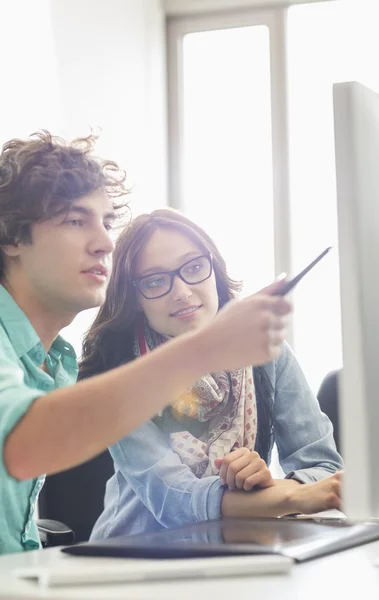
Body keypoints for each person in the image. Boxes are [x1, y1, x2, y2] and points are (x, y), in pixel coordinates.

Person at [0, 132, 292, 555]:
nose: (105, 242)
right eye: (75, 220)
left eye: (105, 222)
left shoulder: (54, 361)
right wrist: (205, 347)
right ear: (10, 236)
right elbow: (24, 447)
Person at [78, 209, 344, 541]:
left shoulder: (266, 353)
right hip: (135, 554)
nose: (182, 291)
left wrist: (262, 483)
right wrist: (289, 495)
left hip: (242, 548)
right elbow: (173, 498)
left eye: (193, 268)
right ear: (135, 299)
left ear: (214, 270)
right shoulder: (122, 375)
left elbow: (324, 468)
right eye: (156, 280)